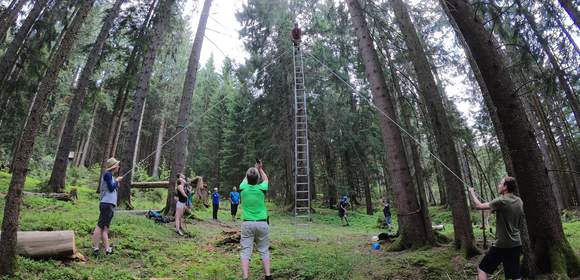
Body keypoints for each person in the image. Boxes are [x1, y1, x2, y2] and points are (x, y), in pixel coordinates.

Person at [469, 176, 524, 280]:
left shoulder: (501, 201)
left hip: (502, 245)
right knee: (515, 276)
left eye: (500, 183)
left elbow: (478, 206)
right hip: (516, 244)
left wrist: (471, 192)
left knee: (482, 269)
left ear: (505, 187)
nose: (498, 185)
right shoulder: (519, 201)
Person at [239, 160, 272, 280]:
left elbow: (245, 180)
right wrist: (260, 168)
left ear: (247, 179)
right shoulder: (262, 188)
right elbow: (266, 179)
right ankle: (268, 276)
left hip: (247, 223)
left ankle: (245, 277)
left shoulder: (243, 188)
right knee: (264, 250)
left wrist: (253, 169)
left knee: (245, 251)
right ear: (257, 179)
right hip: (262, 223)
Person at [92, 158, 123, 257]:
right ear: (114, 166)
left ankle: (107, 249)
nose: (118, 166)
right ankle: (95, 248)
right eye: (117, 165)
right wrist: (117, 181)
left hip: (110, 204)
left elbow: (112, 187)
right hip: (106, 204)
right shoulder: (108, 174)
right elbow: (110, 188)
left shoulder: (111, 176)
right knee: (100, 226)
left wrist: (116, 182)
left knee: (105, 228)